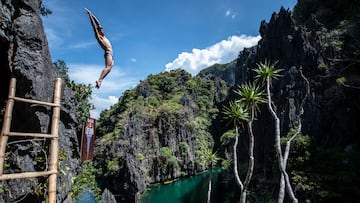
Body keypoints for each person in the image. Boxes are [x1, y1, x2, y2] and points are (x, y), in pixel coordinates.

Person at [85, 8, 114, 88]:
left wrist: (91, 13)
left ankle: (100, 80)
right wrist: (90, 16)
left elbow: (98, 23)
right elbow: (94, 26)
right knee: (108, 67)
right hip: (108, 53)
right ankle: (99, 80)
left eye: (103, 29)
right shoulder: (99, 37)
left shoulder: (104, 36)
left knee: (110, 68)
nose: (103, 30)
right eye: (101, 30)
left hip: (110, 54)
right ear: (99, 31)